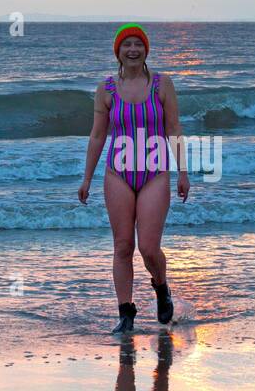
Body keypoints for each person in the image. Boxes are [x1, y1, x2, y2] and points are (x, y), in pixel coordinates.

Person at [78, 24, 189, 333]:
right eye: (126, 44)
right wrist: (87, 179)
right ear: (118, 51)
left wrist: (183, 171)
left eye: (138, 44)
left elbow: (174, 130)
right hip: (118, 173)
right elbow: (98, 135)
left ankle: (161, 286)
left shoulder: (162, 85)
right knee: (123, 245)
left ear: (145, 50)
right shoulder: (107, 89)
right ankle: (126, 313)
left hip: (155, 172)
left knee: (149, 249)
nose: (132, 49)